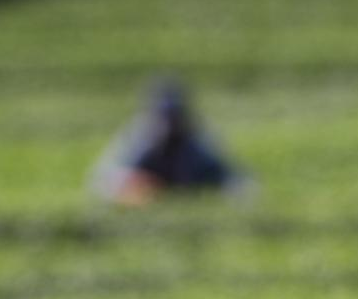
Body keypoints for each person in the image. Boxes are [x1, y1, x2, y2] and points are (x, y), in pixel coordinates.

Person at [91, 79, 248, 205]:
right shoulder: (139, 139)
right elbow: (104, 181)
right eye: (165, 117)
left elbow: (234, 179)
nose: (170, 124)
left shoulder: (197, 141)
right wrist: (138, 188)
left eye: (175, 116)